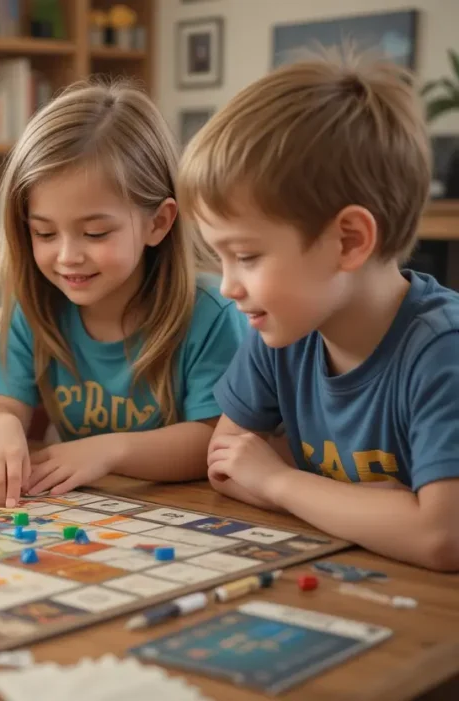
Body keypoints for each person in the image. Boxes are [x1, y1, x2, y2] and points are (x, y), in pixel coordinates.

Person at [179, 50, 459, 572]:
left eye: (246, 256)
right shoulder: (281, 330)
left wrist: (279, 479)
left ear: (348, 241)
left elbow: (440, 536)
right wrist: (381, 508)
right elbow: (226, 466)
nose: (228, 285)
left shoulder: (443, 349)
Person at [0, 79, 247, 508]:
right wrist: (0, 427)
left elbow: (215, 440)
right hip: (94, 510)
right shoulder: (35, 304)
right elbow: (1, 404)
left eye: (95, 232)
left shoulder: (211, 313)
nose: (67, 256)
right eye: (44, 232)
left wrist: (110, 449)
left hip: (186, 509)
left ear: (158, 222)